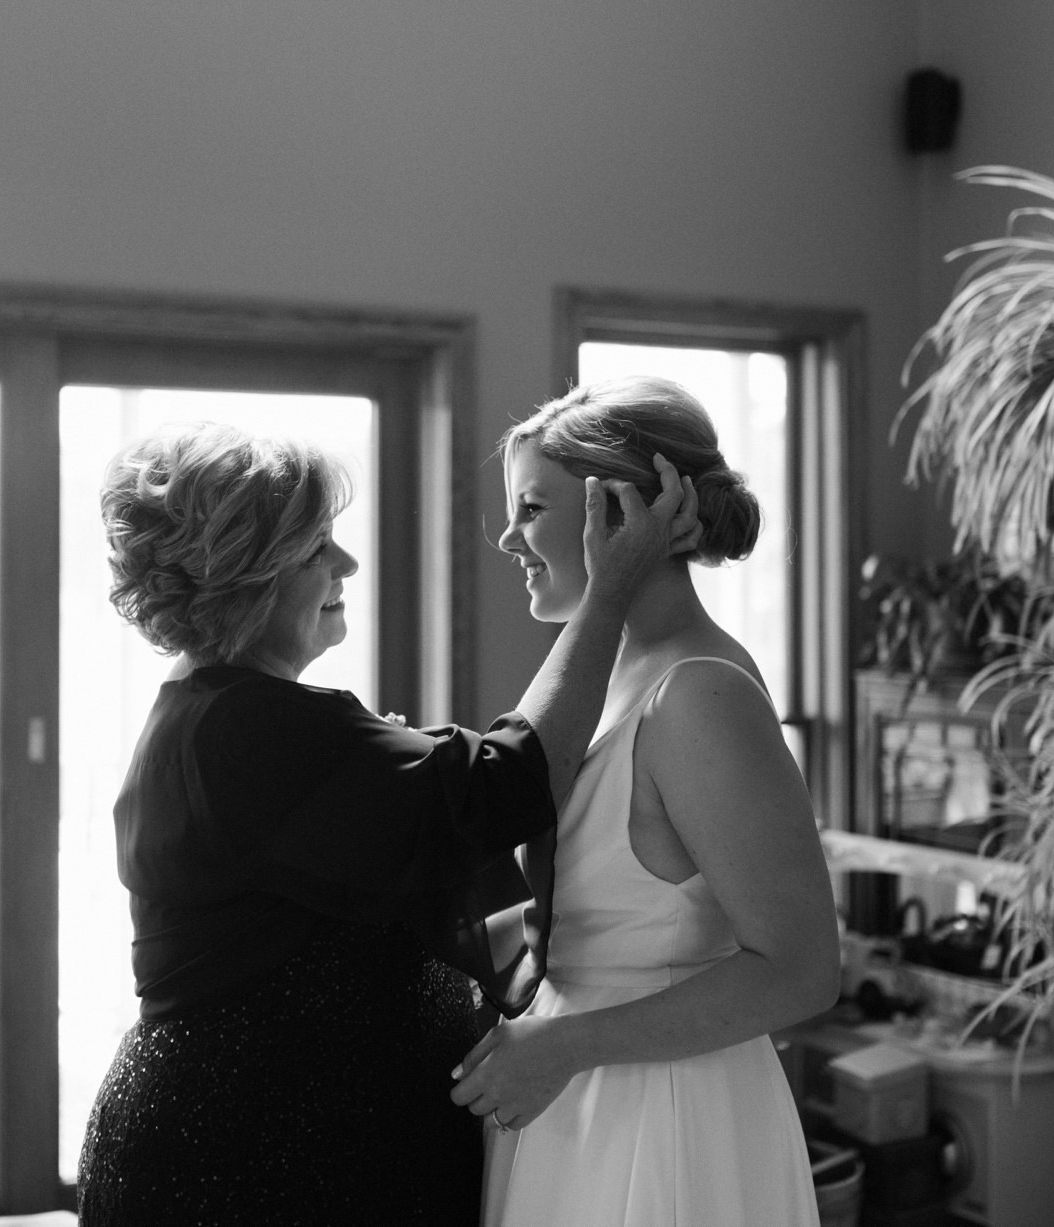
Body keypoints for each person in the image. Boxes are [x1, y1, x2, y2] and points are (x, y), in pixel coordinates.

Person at [75, 420, 685, 1226]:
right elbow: (505, 782)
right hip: (253, 1167)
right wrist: (609, 593)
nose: (347, 564)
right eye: (316, 549)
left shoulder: (218, 715)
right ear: (245, 580)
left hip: (289, 1143)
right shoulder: (247, 729)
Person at [452, 376, 842, 1226]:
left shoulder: (698, 693)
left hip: (664, 1112)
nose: (510, 538)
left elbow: (804, 967)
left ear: (619, 511)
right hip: (572, 1098)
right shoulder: (604, 667)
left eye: (529, 508)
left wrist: (562, 1045)